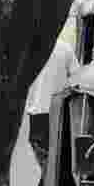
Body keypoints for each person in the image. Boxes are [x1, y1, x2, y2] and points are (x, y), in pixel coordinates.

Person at [26, 40, 79, 171]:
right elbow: (77, 77)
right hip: (60, 111)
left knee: (45, 159)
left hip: (38, 113)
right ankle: (46, 185)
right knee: (57, 157)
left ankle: (46, 185)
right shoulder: (65, 48)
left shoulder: (29, 49)